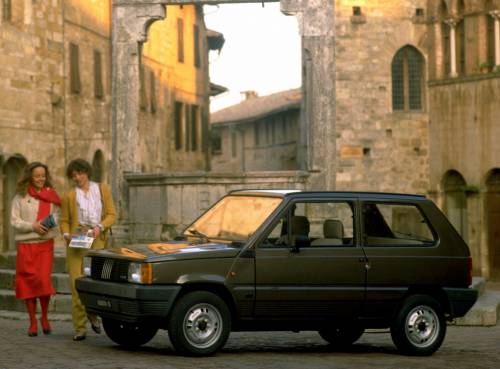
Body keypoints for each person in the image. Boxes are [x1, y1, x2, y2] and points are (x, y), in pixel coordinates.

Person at [60, 158, 116, 341]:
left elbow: (112, 214)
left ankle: (92, 313)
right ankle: (80, 328)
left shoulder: (102, 189)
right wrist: (66, 234)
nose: (77, 177)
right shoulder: (69, 196)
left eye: (80, 173)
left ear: (87, 172)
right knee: (77, 286)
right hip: (77, 242)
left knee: (95, 285)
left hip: (97, 240)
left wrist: (100, 227)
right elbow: (64, 221)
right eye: (74, 175)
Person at [10, 162, 61, 337]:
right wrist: (33, 226)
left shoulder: (52, 196)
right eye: (37, 175)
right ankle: (32, 321)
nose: (40, 179)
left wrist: (46, 225)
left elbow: (58, 216)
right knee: (28, 283)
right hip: (26, 245)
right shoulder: (20, 197)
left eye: (43, 176)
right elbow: (14, 221)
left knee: (42, 281)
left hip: (45, 244)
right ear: (29, 176)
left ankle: (44, 318)